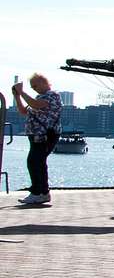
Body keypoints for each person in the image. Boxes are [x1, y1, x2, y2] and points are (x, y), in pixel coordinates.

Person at [12, 74, 62, 205]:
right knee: (38, 162)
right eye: (32, 87)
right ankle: (43, 192)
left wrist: (22, 92)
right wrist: (17, 96)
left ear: (44, 82)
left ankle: (37, 192)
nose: (34, 89)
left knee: (34, 162)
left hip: (44, 135)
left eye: (35, 85)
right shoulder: (39, 97)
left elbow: (35, 104)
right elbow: (24, 111)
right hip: (37, 135)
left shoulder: (52, 95)